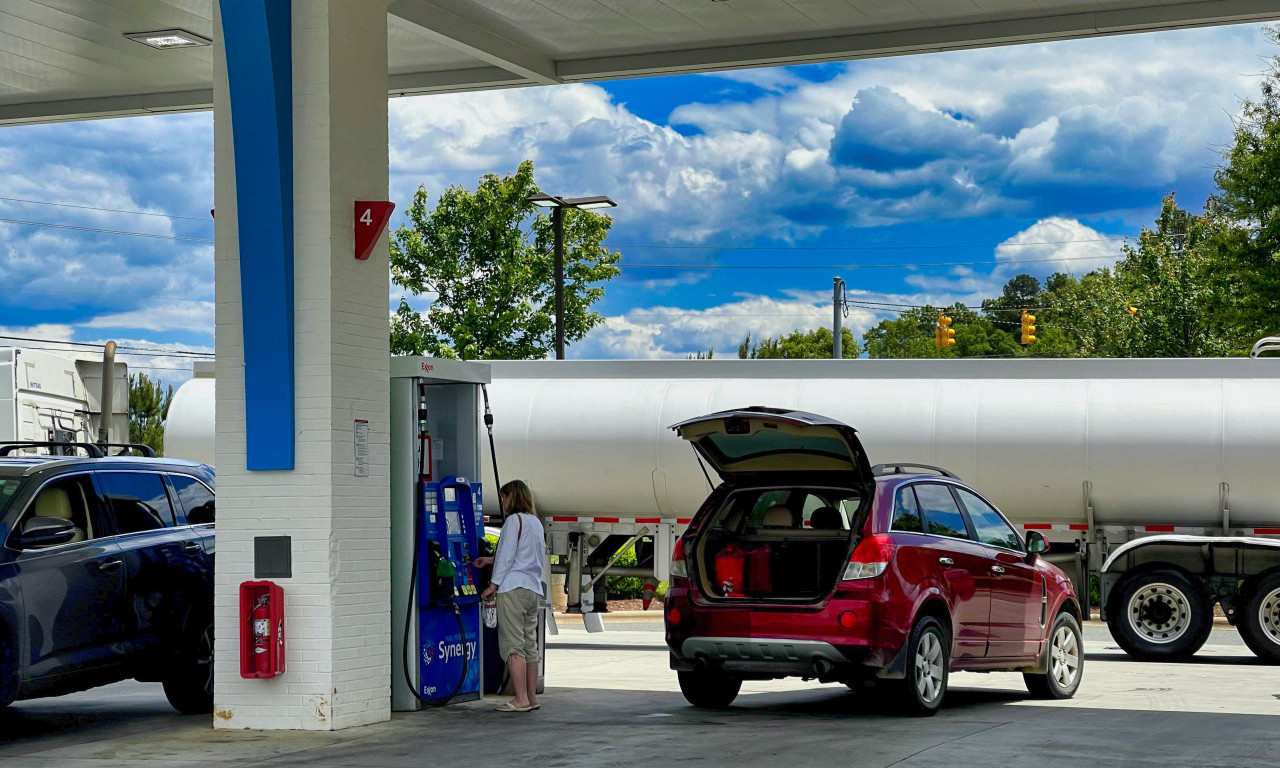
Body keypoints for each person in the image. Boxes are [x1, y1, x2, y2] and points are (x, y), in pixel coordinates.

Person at [475, 480, 545, 712]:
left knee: (513, 646)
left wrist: (492, 585)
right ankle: (532, 698)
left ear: (511, 497)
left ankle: (520, 699)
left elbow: (507, 556)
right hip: (532, 589)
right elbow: (525, 557)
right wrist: (490, 561)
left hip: (512, 589)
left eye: (503, 497)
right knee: (529, 645)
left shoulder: (513, 521)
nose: (502, 502)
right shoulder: (535, 523)